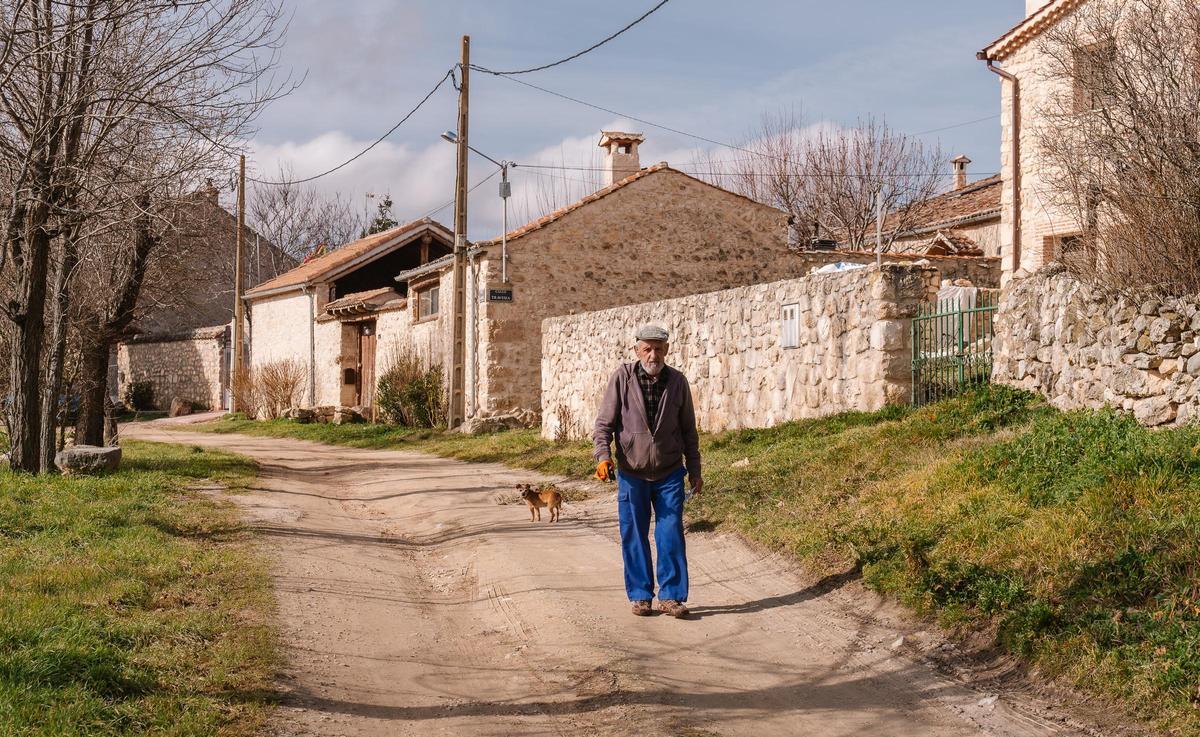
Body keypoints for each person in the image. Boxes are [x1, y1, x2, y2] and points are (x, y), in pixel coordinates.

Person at [593, 324, 702, 618]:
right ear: (637, 350)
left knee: (670, 533)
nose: (653, 354)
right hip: (632, 472)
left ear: (666, 350)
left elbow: (689, 432)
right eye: (647, 348)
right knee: (634, 535)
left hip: (669, 473)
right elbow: (604, 425)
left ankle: (671, 597)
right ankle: (641, 595)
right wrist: (603, 457)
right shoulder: (623, 378)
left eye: (658, 348)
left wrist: (695, 470)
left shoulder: (678, 382)